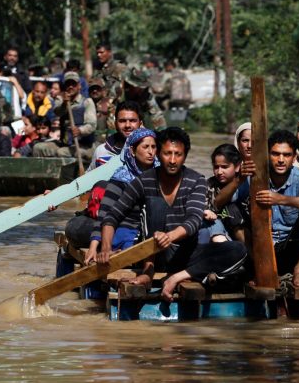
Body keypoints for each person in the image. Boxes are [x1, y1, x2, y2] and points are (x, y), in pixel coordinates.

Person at [96, 127, 248, 301]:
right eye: (168, 154)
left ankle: (179, 276)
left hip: (187, 254)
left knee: (238, 250)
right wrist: (106, 248)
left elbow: (194, 220)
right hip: (154, 254)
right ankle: (148, 272)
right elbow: (112, 216)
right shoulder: (144, 180)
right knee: (155, 204)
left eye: (178, 154)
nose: (173, 160)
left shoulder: (196, 180)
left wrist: (169, 236)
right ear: (159, 154)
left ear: (185, 156)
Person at [235, 130, 299, 287]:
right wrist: (239, 179)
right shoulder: (256, 178)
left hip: (290, 248)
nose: (281, 160)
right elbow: (225, 201)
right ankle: (258, 268)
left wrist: (282, 199)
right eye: (275, 154)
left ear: (294, 158)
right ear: (267, 155)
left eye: (286, 155)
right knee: (231, 211)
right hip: (260, 249)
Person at [67, 129, 158, 274]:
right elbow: (105, 214)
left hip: (148, 231)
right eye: (145, 147)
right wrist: (93, 246)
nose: (150, 152)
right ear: (133, 151)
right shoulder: (121, 178)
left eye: (153, 147)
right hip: (122, 230)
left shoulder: (161, 175)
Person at [32, 71, 96, 161]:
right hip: (65, 144)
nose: (70, 86)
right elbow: (58, 112)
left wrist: (80, 130)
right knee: (38, 148)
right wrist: (65, 104)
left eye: (73, 84)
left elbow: (92, 125)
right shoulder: (60, 100)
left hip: (83, 145)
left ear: (79, 86)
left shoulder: (87, 102)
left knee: (62, 152)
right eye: (68, 84)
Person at [88, 100, 143, 171]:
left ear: (140, 124)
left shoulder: (149, 151)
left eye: (132, 121)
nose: (127, 125)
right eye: (122, 121)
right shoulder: (102, 152)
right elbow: (90, 179)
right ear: (115, 124)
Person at [115, 66, 166, 130]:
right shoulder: (120, 91)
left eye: (142, 87)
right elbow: (112, 112)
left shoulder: (146, 95)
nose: (141, 89)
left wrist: (163, 134)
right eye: (138, 87)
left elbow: (157, 116)